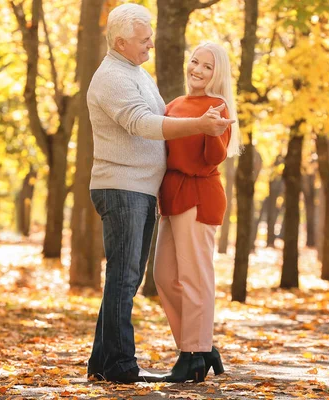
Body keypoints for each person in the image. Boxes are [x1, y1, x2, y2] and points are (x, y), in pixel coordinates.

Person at [86, 4, 234, 384]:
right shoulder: (114, 78)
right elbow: (141, 122)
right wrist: (197, 124)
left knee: (132, 278)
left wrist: (206, 126)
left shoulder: (137, 73)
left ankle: (114, 361)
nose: (151, 42)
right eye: (143, 38)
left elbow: (211, 147)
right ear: (120, 41)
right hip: (125, 187)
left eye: (150, 35)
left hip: (156, 193)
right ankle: (120, 365)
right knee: (133, 277)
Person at [153, 42, 241, 383]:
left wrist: (213, 130)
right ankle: (201, 347)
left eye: (207, 67)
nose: (198, 70)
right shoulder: (173, 105)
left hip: (198, 195)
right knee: (163, 276)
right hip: (171, 197)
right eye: (195, 62)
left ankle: (192, 352)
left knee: (195, 278)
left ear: (216, 74)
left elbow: (213, 157)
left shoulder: (218, 106)